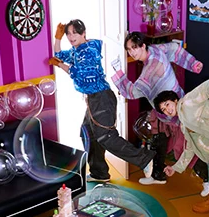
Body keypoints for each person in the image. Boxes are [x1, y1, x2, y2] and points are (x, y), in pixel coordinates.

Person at [51, 20, 155, 183]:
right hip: (93, 99)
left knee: (106, 137)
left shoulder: (89, 51)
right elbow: (59, 55)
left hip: (101, 98)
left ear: (83, 33)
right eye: (68, 34)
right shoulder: (77, 50)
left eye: (75, 33)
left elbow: (81, 75)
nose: (71, 37)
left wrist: (60, 66)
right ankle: (99, 173)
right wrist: (57, 38)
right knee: (87, 133)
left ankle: (144, 159)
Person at [111, 32, 203, 185]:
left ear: (143, 46)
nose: (132, 52)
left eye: (135, 47)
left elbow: (132, 92)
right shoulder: (156, 49)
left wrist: (119, 72)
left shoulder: (150, 68)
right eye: (129, 49)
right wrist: (193, 64)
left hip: (174, 111)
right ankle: (157, 175)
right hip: (167, 108)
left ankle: (207, 179)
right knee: (158, 141)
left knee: (188, 145)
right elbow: (174, 48)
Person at [155, 79, 209, 217]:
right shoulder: (183, 123)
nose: (167, 110)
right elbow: (190, 147)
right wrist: (176, 168)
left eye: (167, 104)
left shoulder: (187, 102)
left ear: (175, 100)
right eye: (163, 110)